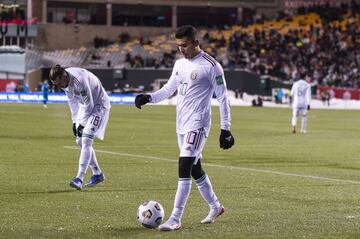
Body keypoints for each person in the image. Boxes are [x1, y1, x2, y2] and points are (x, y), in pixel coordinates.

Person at [134, 25, 235, 231]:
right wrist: (149, 98)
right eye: (178, 46)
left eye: (185, 45)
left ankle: (175, 217)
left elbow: (223, 98)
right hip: (181, 124)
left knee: (184, 165)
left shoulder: (211, 66)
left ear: (196, 43)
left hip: (198, 124)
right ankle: (216, 206)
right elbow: (168, 89)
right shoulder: (180, 64)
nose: (181, 50)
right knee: (195, 169)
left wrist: (226, 129)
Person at [49, 64, 111, 190]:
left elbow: (90, 104)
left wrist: (81, 125)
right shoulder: (64, 82)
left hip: (99, 105)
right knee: (79, 141)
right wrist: (74, 122)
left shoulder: (79, 80)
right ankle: (97, 173)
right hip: (85, 105)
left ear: (64, 76)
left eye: (59, 83)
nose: (59, 86)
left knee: (86, 139)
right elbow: (72, 101)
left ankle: (79, 178)